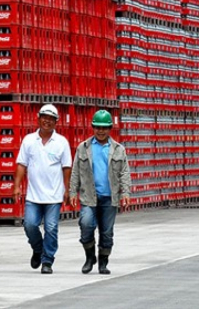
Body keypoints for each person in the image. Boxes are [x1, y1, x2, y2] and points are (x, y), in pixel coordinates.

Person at [69, 110, 131, 275]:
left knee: (107, 232)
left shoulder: (118, 150)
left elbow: (124, 172)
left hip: (109, 197)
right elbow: (75, 171)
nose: (100, 131)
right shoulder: (83, 148)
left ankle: (103, 262)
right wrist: (72, 192)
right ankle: (90, 257)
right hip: (89, 196)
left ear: (110, 128)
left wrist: (125, 193)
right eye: (97, 127)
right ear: (92, 127)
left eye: (104, 127)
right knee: (86, 223)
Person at [13, 104, 72, 274]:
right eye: (44, 117)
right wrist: (16, 186)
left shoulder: (61, 142)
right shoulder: (29, 140)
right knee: (30, 225)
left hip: (53, 196)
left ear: (56, 122)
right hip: (33, 195)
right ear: (38, 119)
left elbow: (66, 167)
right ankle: (38, 249)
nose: (47, 121)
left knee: (51, 228)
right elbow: (21, 164)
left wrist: (67, 190)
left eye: (51, 119)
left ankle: (47, 260)